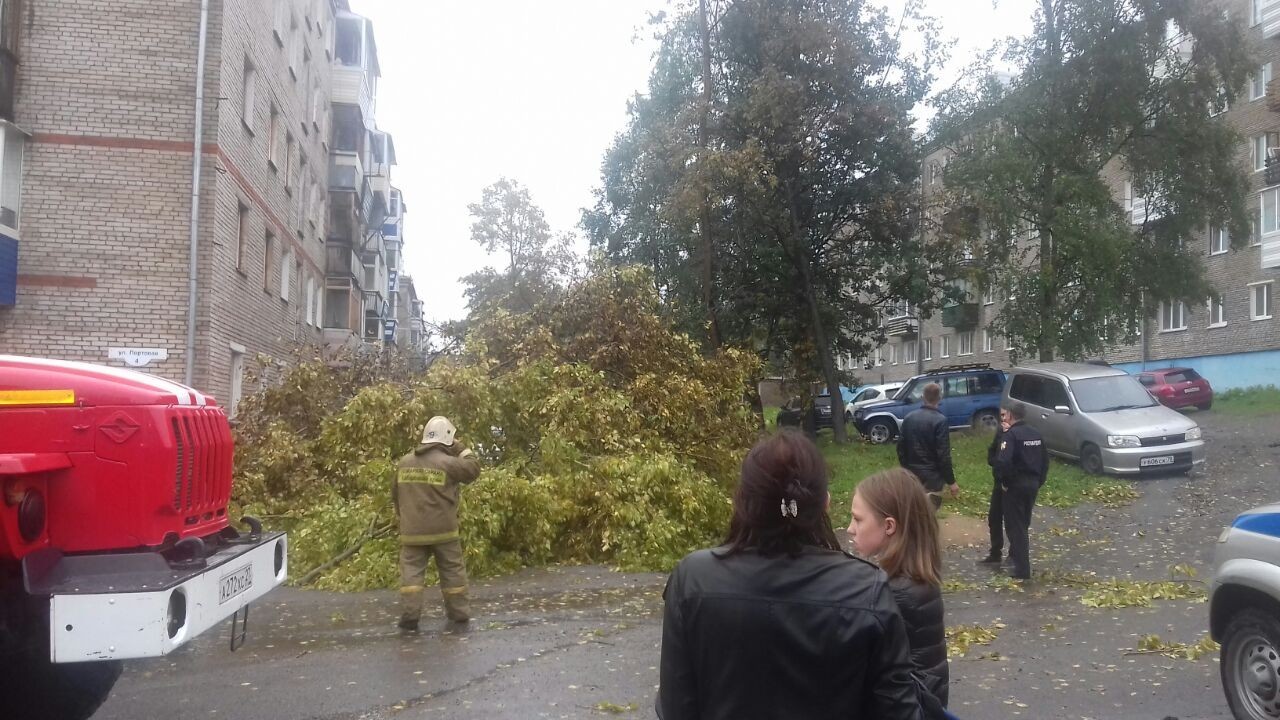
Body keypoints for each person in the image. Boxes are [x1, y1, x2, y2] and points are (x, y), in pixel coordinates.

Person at [657, 431, 922, 720]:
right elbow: (898, 711)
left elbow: (675, 708)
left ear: (742, 501)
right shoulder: (866, 589)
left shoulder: (693, 579)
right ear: (825, 504)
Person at [849, 469, 950, 719]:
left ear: (889, 526)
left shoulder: (893, 593)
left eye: (858, 520)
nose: (850, 529)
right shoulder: (913, 580)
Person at [393, 416, 481, 630]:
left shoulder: (404, 463)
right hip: (444, 531)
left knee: (411, 575)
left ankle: (410, 616)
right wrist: (460, 447)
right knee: (452, 573)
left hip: (412, 531)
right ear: (447, 439)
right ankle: (459, 614)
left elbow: (395, 495)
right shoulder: (448, 463)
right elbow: (473, 469)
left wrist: (403, 519)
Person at [992, 402, 1049, 580]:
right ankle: (1018, 561)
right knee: (1023, 523)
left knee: (1015, 527)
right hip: (1032, 484)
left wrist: (1004, 481)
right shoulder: (1036, 434)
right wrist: (1039, 481)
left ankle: (1022, 570)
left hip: (1015, 486)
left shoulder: (1011, 435)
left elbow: (1003, 461)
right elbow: (1045, 461)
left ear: (1010, 415)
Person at [897, 383, 960, 509]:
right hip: (933, 478)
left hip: (912, 474)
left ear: (922, 397)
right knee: (929, 515)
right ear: (939, 398)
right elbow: (943, 456)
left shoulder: (909, 418)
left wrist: (906, 468)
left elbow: (900, 448)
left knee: (913, 511)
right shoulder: (940, 421)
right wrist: (951, 482)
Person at [979, 407, 1014, 566]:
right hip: (998, 481)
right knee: (994, 517)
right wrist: (995, 462)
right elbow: (992, 450)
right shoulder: (1001, 430)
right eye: (1000, 416)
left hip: (1012, 484)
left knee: (1012, 520)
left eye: (1004, 415)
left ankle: (1014, 554)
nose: (1002, 419)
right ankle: (995, 552)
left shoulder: (1017, 433)